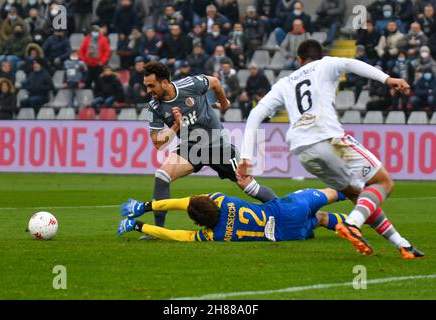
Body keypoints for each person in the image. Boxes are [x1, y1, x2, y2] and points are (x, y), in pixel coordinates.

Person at [238, 40, 424, 259]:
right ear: (319, 55)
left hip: (303, 152)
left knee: (357, 194)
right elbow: (352, 63)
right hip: (330, 140)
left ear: (299, 60)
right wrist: (387, 78)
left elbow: (255, 114)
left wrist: (246, 157)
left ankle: (402, 245)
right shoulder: (326, 64)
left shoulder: (284, 83)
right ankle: (352, 223)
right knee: (383, 182)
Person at [141, 61, 277, 234]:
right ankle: (158, 231)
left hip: (218, 144)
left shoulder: (190, 84)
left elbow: (214, 82)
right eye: (146, 86)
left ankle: (285, 212)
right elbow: (158, 143)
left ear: (165, 82)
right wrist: (176, 126)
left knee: (250, 187)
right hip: (191, 148)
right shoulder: (155, 107)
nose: (148, 91)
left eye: (151, 86)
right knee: (162, 176)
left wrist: (224, 103)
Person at [117, 188, 349, 242]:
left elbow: (176, 235)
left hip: (288, 234)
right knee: (331, 193)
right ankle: (365, 200)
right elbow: (182, 202)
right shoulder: (220, 199)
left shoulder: (213, 235)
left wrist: (138, 225)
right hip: (287, 209)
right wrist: (145, 206)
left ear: (199, 223)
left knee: (320, 219)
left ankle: (354, 222)